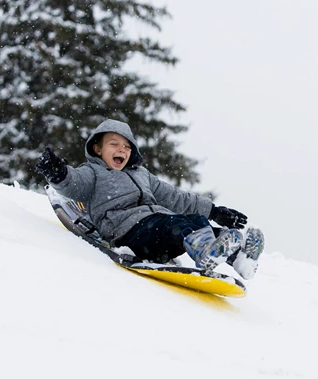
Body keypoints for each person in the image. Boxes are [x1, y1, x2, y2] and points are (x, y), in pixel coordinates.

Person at [36, 119, 264, 278]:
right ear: (97, 148)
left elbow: (175, 197)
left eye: (126, 146)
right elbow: (73, 185)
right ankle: (205, 251)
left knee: (194, 221)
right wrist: (58, 173)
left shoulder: (141, 174)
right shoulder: (93, 172)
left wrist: (214, 212)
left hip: (157, 230)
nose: (121, 150)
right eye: (114, 144)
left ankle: (239, 256)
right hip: (127, 232)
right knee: (177, 225)